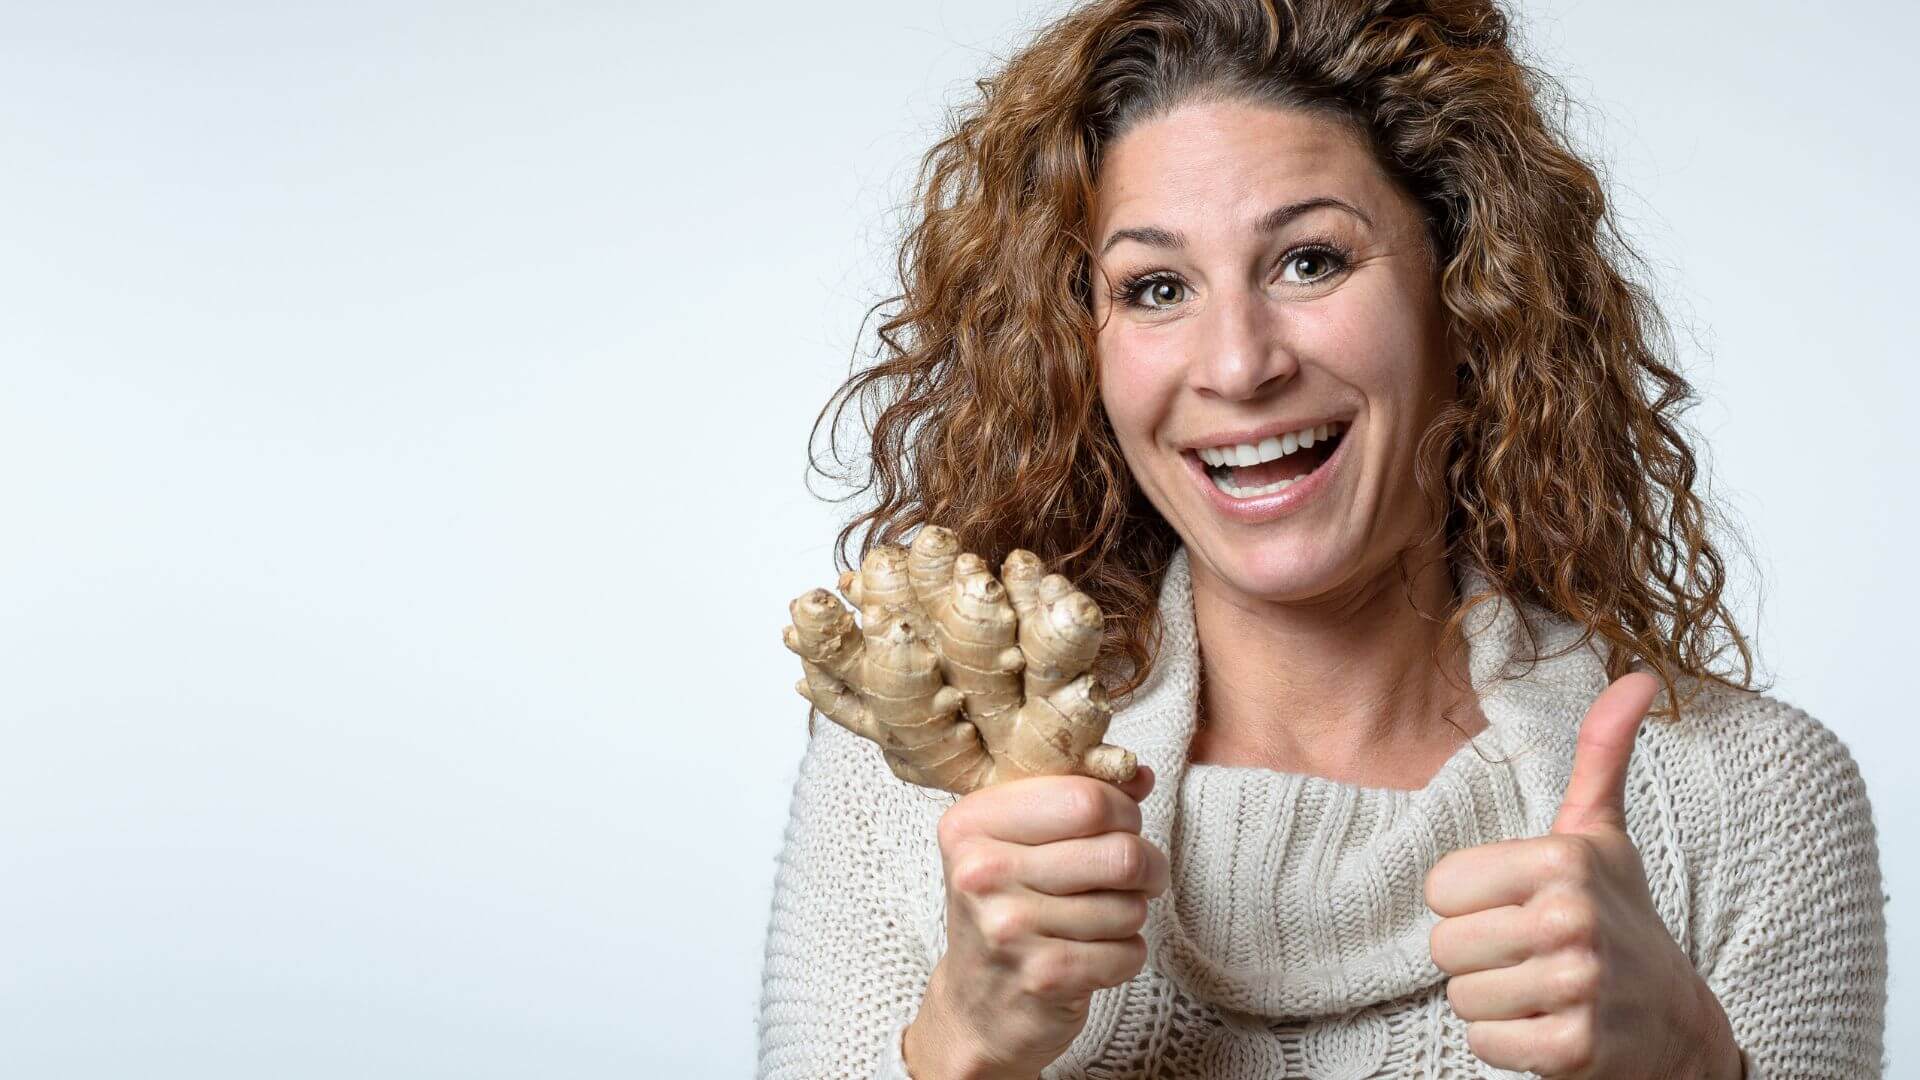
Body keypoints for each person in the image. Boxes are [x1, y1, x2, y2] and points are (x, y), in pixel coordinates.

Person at [756, 0, 1889, 1076]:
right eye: (1155, 287)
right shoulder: (911, 793)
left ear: (1468, 293)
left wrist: (1688, 1069)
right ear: (1079, 353)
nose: (1240, 364)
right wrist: (960, 1045)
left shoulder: (1749, 800)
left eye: (1311, 262)